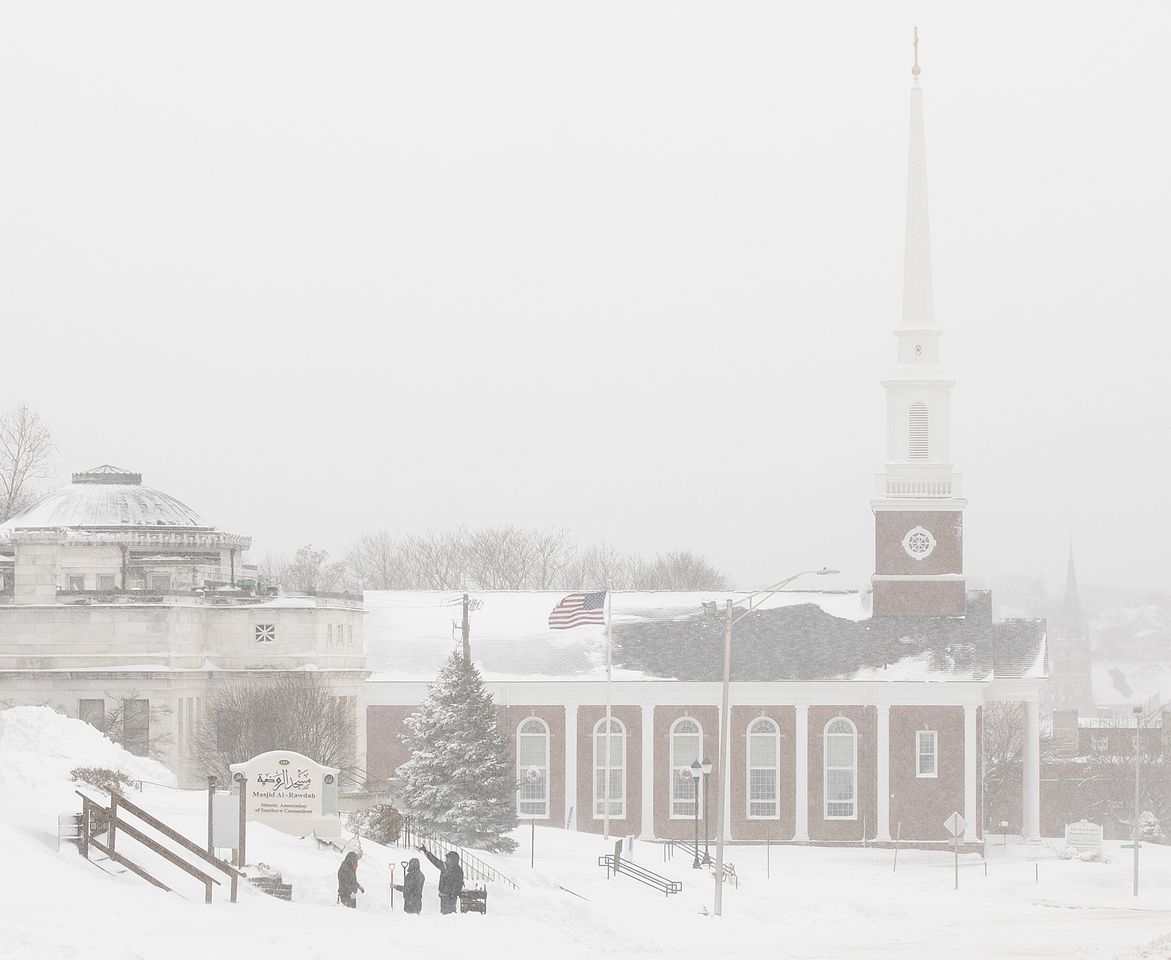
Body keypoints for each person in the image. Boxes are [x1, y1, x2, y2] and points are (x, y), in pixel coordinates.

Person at [419, 844, 464, 914]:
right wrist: (426, 852)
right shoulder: (445, 867)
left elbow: (458, 884)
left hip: (450, 897)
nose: (446, 860)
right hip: (444, 896)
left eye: (448, 858)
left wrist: (453, 894)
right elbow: (435, 861)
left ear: (453, 860)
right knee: (444, 914)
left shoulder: (457, 870)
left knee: (450, 914)